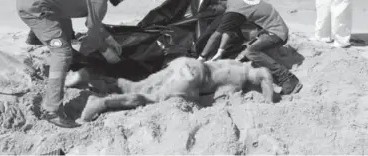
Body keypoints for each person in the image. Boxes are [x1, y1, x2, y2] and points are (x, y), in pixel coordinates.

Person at [16, 0, 134, 128]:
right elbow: (92, 35)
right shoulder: (100, 0)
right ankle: (51, 110)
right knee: (62, 52)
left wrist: (109, 39)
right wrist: (107, 52)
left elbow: (93, 24)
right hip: (35, 6)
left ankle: (73, 71)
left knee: (67, 35)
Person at [77, 57, 274, 123]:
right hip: (194, 77)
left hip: (187, 62)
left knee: (139, 84)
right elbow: (264, 74)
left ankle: (96, 81)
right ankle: (101, 103)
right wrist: (268, 101)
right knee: (150, 98)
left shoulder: (236, 62)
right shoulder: (242, 77)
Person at [197, 0, 302, 95]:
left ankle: (288, 78)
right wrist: (220, 51)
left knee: (250, 52)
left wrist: (201, 58)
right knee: (243, 58)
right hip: (271, 29)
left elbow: (216, 35)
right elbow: (227, 31)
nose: (215, 13)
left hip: (275, 33)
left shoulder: (233, 11)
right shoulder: (236, 0)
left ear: (219, 3)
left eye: (214, 10)